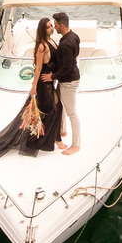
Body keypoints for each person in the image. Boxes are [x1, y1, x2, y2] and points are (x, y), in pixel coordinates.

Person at [0, 17, 63, 178]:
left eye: (52, 26)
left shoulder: (51, 41)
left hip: (51, 82)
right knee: (51, 109)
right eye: (49, 26)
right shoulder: (42, 47)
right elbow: (37, 69)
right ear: (43, 30)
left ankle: (50, 139)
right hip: (44, 84)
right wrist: (33, 87)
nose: (52, 28)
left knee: (53, 109)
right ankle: (45, 141)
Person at [43, 11, 81, 155]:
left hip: (69, 81)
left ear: (62, 25)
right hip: (67, 79)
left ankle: (76, 144)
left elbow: (66, 68)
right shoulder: (74, 36)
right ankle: (62, 130)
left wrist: (52, 76)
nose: (54, 27)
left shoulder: (65, 43)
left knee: (72, 112)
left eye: (56, 25)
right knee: (61, 106)